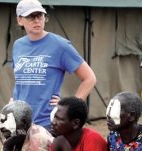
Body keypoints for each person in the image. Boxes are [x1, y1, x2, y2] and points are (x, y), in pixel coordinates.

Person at [12, 0, 97, 128]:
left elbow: (89, 78)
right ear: (19, 20)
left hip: (48, 123)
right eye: (31, 16)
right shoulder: (18, 45)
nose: (37, 20)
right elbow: (21, 81)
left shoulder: (60, 45)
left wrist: (70, 107)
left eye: (40, 15)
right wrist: (13, 101)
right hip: (20, 121)